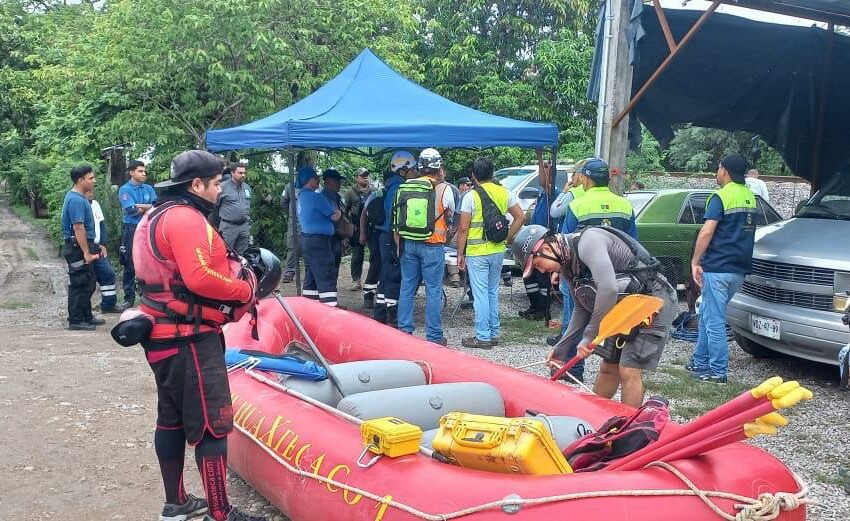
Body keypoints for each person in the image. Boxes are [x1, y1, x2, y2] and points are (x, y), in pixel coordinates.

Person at [133, 150, 263, 521]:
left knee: (171, 420)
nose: (220, 190)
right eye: (217, 183)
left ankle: (177, 503)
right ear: (196, 185)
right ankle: (220, 514)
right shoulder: (185, 219)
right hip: (188, 339)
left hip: (161, 336)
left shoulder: (156, 215)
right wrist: (245, 290)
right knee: (212, 425)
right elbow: (200, 278)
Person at [512, 224, 677, 407]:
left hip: (653, 301)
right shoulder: (567, 265)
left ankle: (628, 430)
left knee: (628, 369)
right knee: (608, 367)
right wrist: (562, 348)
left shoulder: (588, 241)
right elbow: (581, 308)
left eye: (537, 264)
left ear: (545, 249)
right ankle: (592, 420)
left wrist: (590, 335)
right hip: (623, 307)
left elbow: (608, 289)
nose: (542, 271)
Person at [552, 158, 638, 380]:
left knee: (575, 317)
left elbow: (566, 244)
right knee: (615, 322)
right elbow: (633, 243)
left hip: (581, 276)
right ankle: (612, 365)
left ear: (586, 179)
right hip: (617, 278)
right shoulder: (625, 205)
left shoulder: (578, 204)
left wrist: (561, 272)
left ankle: (571, 369)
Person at [688, 154, 757, 384]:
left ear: (725, 171)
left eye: (718, 168)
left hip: (718, 267)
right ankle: (699, 361)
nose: (717, 173)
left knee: (715, 318)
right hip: (738, 269)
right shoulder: (750, 197)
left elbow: (707, 232)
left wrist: (695, 261)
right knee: (708, 314)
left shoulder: (720, 197)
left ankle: (718, 371)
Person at [455, 157, 524, 348]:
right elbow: (521, 217)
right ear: (493, 173)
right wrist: (507, 237)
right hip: (497, 251)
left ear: (473, 176)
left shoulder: (470, 196)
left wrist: (460, 254)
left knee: (480, 294)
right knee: (492, 292)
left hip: (477, 252)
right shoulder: (504, 192)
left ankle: (482, 336)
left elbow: (463, 228)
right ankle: (494, 332)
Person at [394, 148, 454, 345]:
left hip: (408, 243)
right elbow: (451, 216)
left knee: (407, 288)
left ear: (419, 166)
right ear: (439, 167)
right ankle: (434, 336)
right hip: (433, 245)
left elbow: (396, 221)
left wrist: (398, 247)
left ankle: (404, 331)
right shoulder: (444, 189)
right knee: (433, 290)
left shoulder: (405, 187)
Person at [60, 165, 104, 330]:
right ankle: (76, 320)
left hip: (83, 245)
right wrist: (86, 252)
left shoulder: (81, 197)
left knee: (88, 282)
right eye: (91, 178)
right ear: (80, 180)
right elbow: (78, 228)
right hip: (77, 247)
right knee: (80, 282)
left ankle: (86, 316)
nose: (94, 181)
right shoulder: (76, 200)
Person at [547, 166, 588, 347]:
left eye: (573, 174)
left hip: (571, 248)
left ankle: (566, 334)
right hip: (589, 248)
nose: (571, 177)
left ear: (580, 176)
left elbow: (555, 211)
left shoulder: (574, 194)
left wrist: (564, 192)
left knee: (569, 292)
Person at [518, 151, 560, 322]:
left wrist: (540, 156)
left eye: (548, 170)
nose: (544, 172)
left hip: (546, 241)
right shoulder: (543, 194)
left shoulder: (553, 192)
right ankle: (534, 306)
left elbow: (545, 181)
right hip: (535, 240)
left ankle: (543, 309)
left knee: (542, 277)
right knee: (530, 275)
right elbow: (543, 182)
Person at [374, 151, 415, 326]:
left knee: (385, 275)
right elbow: (395, 217)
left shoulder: (392, 187)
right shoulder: (399, 189)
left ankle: (381, 314)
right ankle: (393, 317)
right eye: (412, 169)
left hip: (386, 236)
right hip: (392, 236)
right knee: (393, 276)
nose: (415, 172)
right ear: (402, 170)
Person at [297, 165, 342, 307]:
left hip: (307, 239)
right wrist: (339, 212)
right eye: (316, 178)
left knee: (311, 275)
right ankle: (330, 308)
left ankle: (310, 307)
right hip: (320, 242)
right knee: (325, 274)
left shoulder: (301, 197)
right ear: (310, 180)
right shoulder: (316, 197)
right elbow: (334, 216)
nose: (318, 181)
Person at [118, 160, 157, 309]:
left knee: (150, 261)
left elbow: (156, 207)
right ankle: (129, 298)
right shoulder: (125, 189)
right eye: (140, 171)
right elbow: (131, 210)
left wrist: (141, 206)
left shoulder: (148, 188)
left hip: (148, 227)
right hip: (132, 228)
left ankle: (149, 298)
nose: (144, 174)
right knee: (129, 263)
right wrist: (146, 207)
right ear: (132, 172)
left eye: (144, 171)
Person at [359, 171, 392, 309]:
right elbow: (364, 215)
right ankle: (369, 295)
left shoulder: (376, 194)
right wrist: (362, 233)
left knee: (379, 263)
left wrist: (363, 233)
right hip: (378, 233)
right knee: (377, 263)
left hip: (378, 233)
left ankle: (377, 294)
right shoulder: (378, 194)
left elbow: (363, 216)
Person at [86, 190, 120, 313]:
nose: (91, 192)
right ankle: (85, 311)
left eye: (92, 190)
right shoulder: (78, 204)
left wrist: (103, 243)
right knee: (87, 280)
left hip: (97, 246)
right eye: (89, 191)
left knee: (108, 273)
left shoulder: (95, 204)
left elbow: (101, 225)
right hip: (85, 247)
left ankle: (108, 304)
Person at [342, 167, 374, 291]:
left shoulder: (374, 192)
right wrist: (348, 227)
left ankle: (374, 281)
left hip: (371, 226)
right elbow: (344, 212)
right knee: (357, 256)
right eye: (362, 175)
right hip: (356, 227)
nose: (365, 177)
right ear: (356, 178)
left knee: (375, 255)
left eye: (367, 175)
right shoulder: (350, 193)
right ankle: (356, 280)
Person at [215, 162, 252, 254]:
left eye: (244, 173)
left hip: (244, 227)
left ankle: (240, 269)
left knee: (242, 255)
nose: (243, 175)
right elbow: (214, 205)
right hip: (228, 227)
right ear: (232, 173)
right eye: (240, 173)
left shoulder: (247, 188)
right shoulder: (222, 187)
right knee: (225, 253)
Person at [280, 180, 301, 283]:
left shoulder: (316, 186)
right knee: (292, 247)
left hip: (310, 222)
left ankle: (312, 272)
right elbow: (283, 202)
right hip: (294, 221)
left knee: (310, 247)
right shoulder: (290, 186)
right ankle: (289, 272)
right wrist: (291, 214)